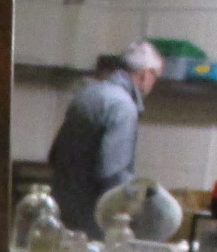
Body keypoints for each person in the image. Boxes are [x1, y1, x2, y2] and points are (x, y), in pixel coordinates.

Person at [47, 39, 162, 236]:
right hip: (92, 221)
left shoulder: (87, 94)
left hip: (61, 211)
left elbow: (54, 154)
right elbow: (112, 173)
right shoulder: (123, 107)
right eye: (155, 77)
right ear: (145, 74)